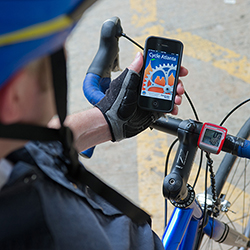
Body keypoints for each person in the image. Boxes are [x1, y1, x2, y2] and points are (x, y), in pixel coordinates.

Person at [0, 0, 188, 249]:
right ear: (15, 96)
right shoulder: (60, 236)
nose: (65, 55)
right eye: (54, 50)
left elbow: (28, 149)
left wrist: (109, 118)